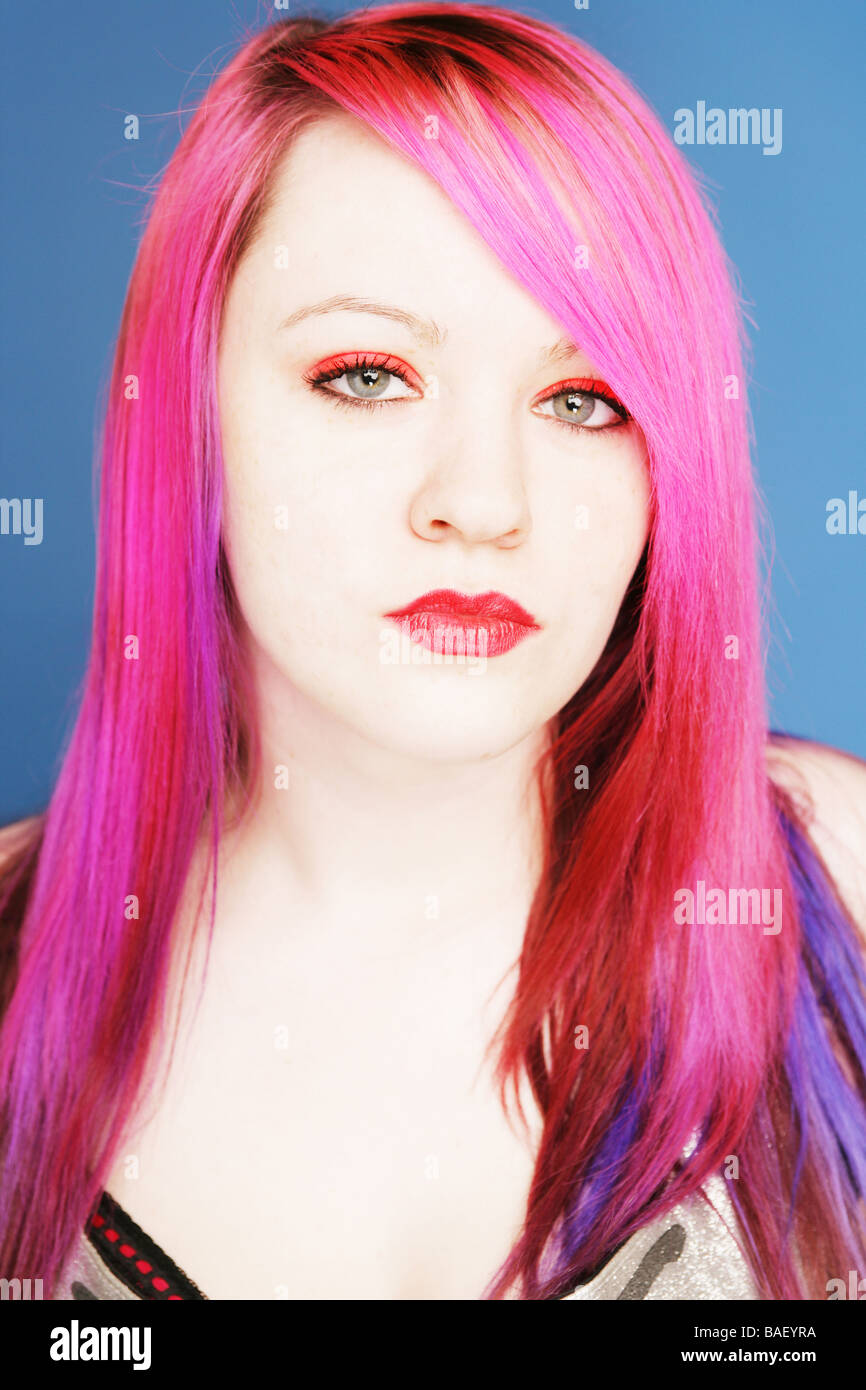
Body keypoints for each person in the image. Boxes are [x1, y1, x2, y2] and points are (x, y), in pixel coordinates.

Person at [1, 2, 864, 1302]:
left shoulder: (843, 887)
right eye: (365, 373)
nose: (483, 500)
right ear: (186, 411)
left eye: (582, 399)